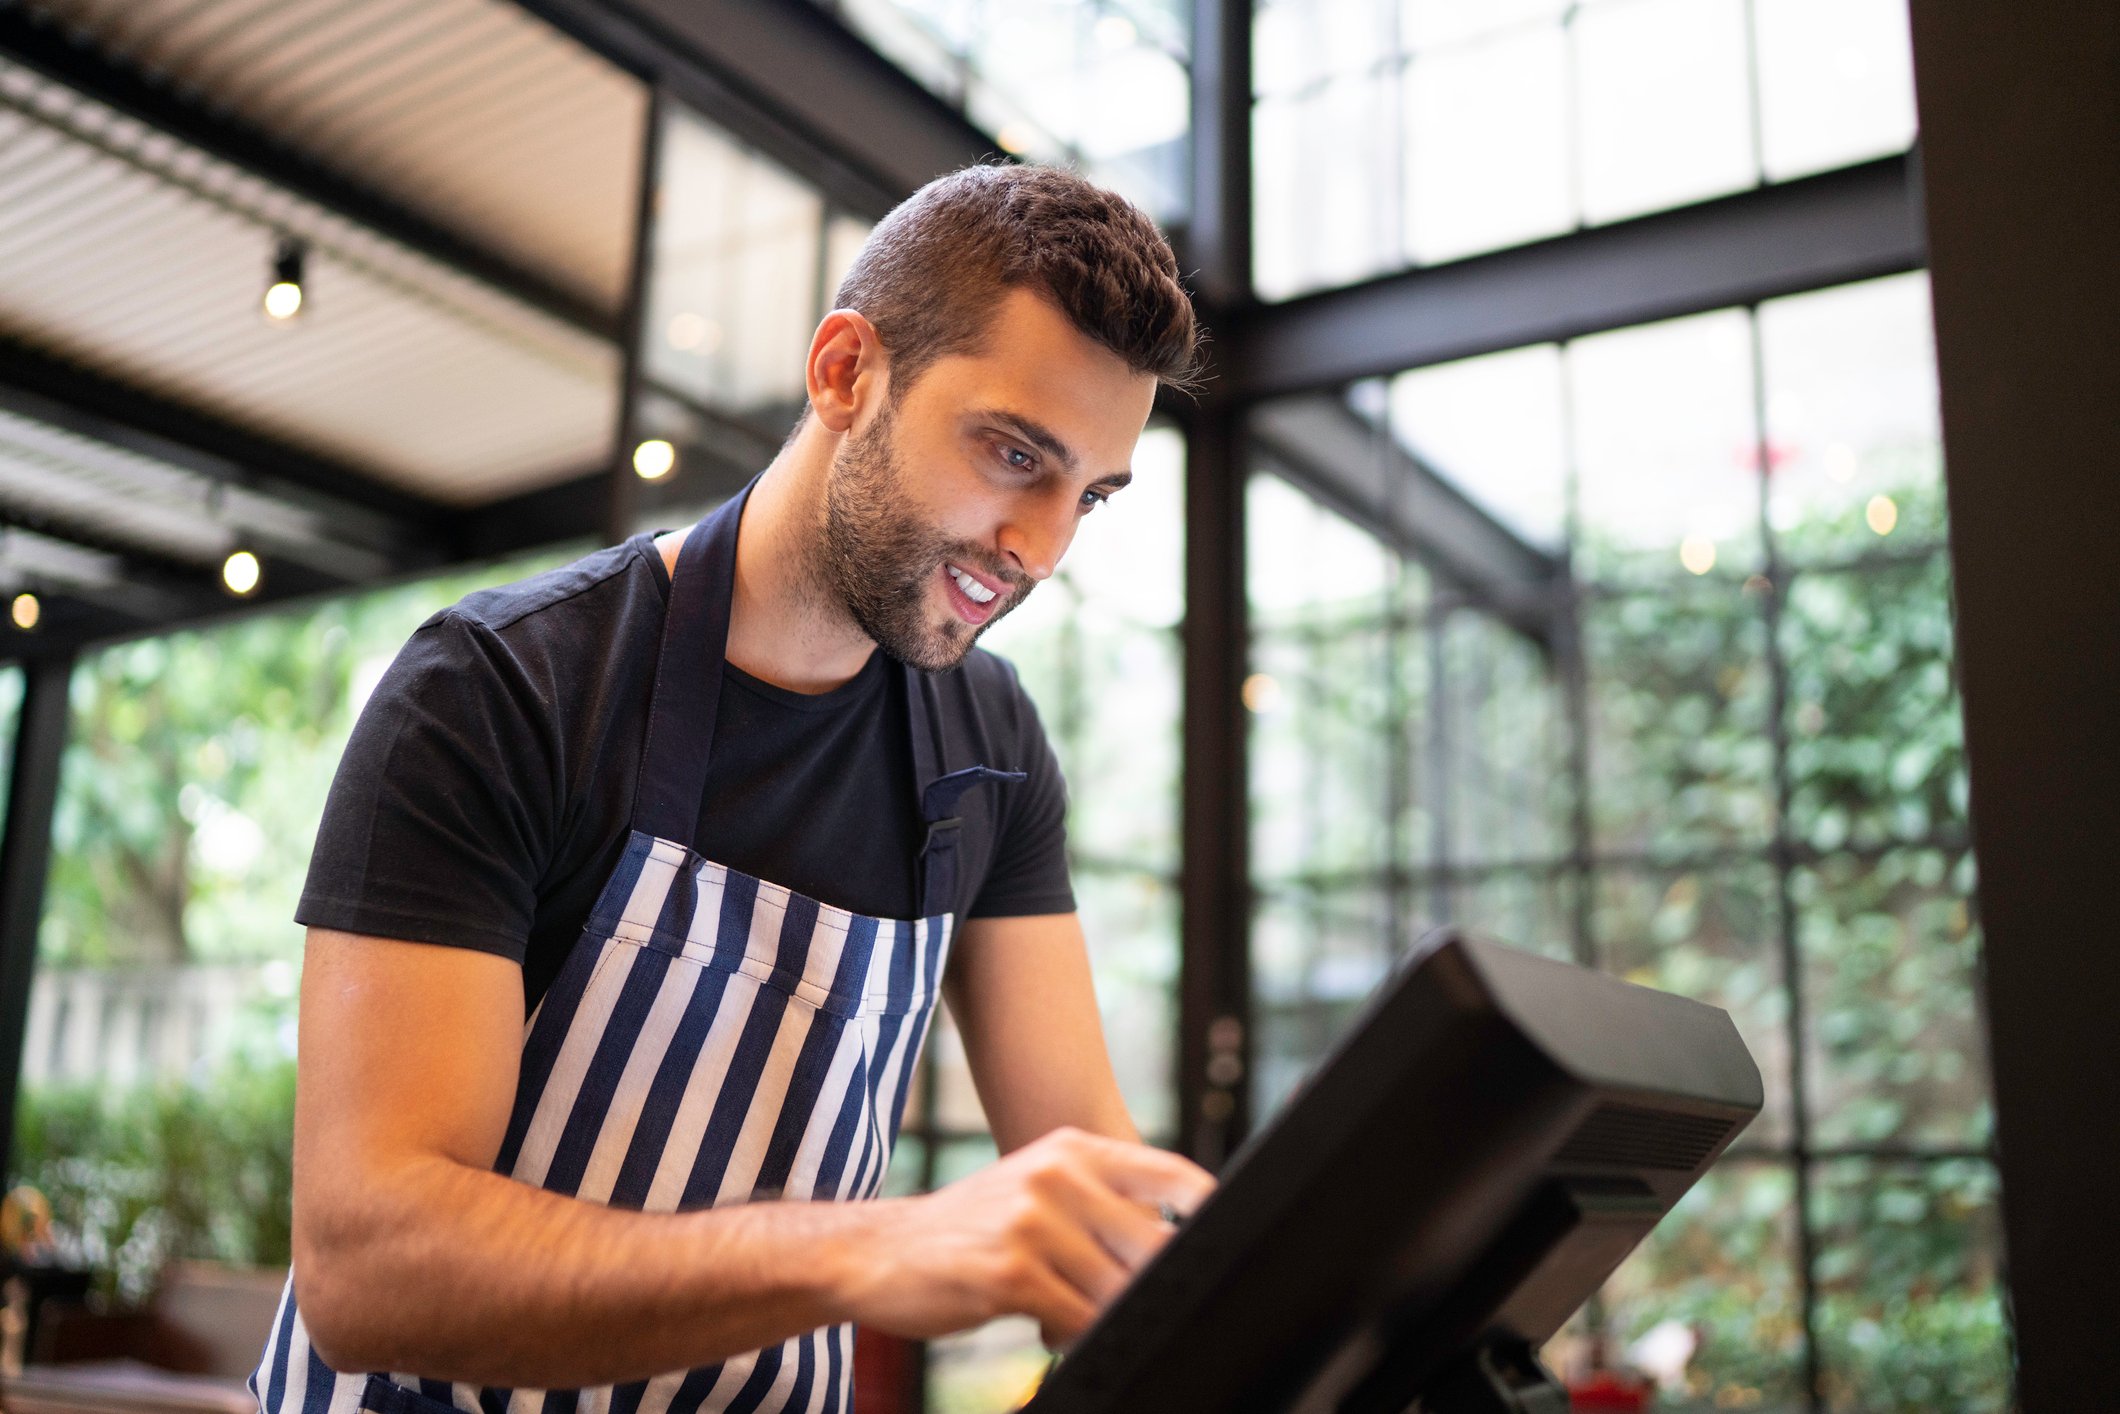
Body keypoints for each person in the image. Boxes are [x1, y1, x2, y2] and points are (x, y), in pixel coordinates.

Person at [249, 161, 1218, 1414]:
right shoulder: (502, 688)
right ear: (844, 372)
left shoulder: (991, 747)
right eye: (1012, 451)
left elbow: (1092, 1174)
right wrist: (863, 1248)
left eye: (1087, 494)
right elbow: (368, 1269)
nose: (1040, 546)